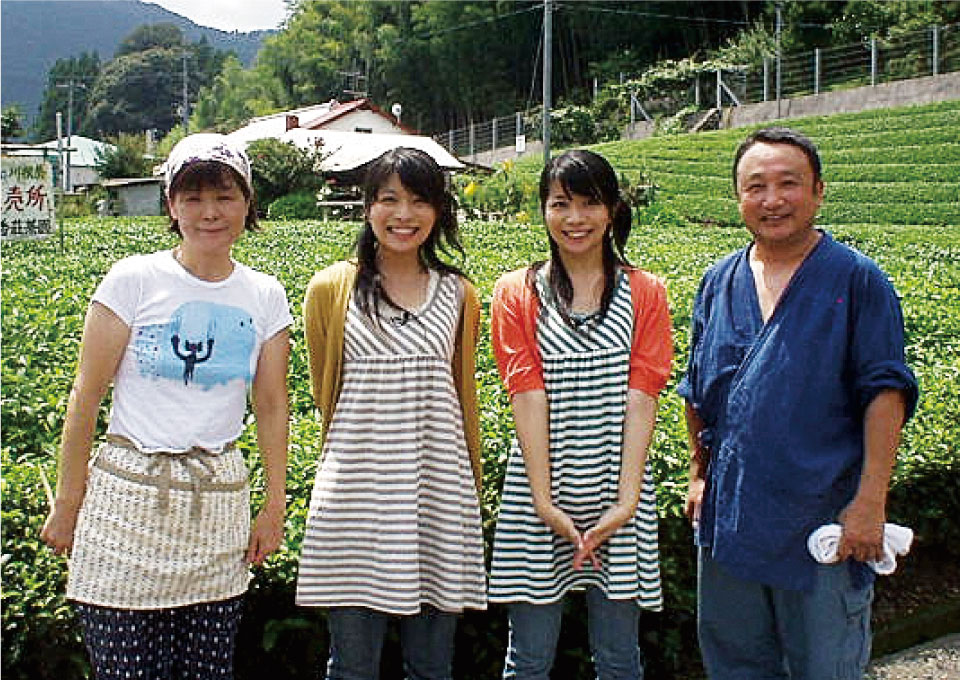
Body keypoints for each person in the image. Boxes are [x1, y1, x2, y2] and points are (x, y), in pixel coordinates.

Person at [40, 133, 292, 678]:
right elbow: (86, 394)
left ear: (248, 204)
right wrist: (69, 499)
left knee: (208, 669)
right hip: (130, 499)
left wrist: (274, 505)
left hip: (217, 501)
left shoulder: (265, 295)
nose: (210, 212)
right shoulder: (134, 279)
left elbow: (272, 405)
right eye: (193, 197)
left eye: (225, 196)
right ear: (171, 204)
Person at [678, 127, 919, 679]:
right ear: (738, 198)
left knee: (823, 665)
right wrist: (698, 475)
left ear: (818, 192)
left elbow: (885, 393)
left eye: (788, 184)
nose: (772, 200)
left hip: (821, 518)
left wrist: (870, 504)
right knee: (736, 663)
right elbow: (697, 391)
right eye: (755, 186)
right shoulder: (718, 281)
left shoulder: (856, 279)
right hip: (731, 522)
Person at [296, 147, 487, 679]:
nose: (404, 215)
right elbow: (326, 391)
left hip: (437, 498)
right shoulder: (331, 288)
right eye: (389, 199)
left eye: (419, 200)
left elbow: (462, 394)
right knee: (352, 667)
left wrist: (471, 484)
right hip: (355, 502)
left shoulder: (460, 294)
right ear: (366, 206)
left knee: (431, 667)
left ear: (439, 211)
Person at [489, 149, 673, 679]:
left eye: (590, 203)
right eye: (561, 204)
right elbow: (526, 393)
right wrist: (545, 503)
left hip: (619, 494)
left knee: (618, 658)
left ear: (612, 210)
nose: (575, 219)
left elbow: (644, 395)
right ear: (544, 211)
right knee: (527, 660)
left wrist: (626, 502)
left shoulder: (646, 292)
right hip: (538, 495)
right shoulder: (516, 292)